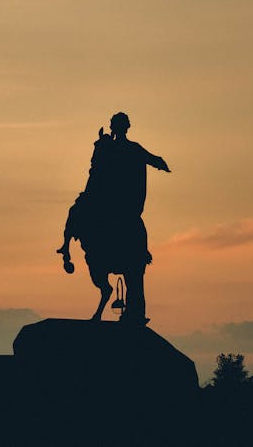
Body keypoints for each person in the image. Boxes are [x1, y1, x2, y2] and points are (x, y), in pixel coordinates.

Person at [56, 112, 170, 324]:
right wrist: (159, 162)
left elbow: (147, 159)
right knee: (76, 209)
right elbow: (95, 170)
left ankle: (135, 312)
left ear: (122, 128)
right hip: (113, 202)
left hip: (120, 204)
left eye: (118, 126)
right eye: (115, 126)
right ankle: (65, 246)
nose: (116, 129)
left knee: (135, 276)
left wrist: (158, 162)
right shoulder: (114, 148)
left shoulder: (124, 148)